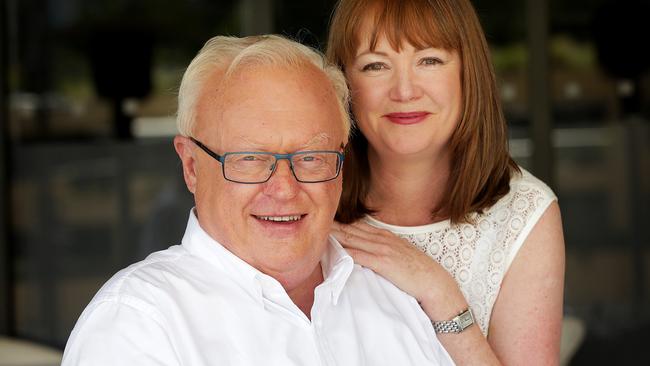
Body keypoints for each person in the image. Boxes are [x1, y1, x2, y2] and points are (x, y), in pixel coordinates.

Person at [62, 34, 454, 365]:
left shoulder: (393, 294)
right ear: (191, 166)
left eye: (311, 157)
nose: (284, 189)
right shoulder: (137, 325)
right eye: (249, 159)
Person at [326, 0, 565, 365]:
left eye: (430, 60)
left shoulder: (525, 212)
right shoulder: (308, 195)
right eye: (375, 65)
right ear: (343, 82)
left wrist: (437, 291)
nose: (404, 91)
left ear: (468, 72)